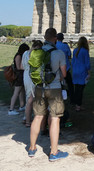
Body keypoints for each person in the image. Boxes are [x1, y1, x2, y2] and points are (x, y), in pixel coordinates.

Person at [28, 28, 68, 162]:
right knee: (55, 118)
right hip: (54, 88)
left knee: (38, 117)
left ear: (44, 37)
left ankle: (32, 148)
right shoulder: (59, 53)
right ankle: (54, 152)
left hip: (39, 87)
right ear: (55, 38)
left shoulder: (36, 52)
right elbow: (64, 75)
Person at [21, 40, 43, 127]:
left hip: (26, 75)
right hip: (33, 76)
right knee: (32, 99)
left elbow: (22, 66)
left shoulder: (25, 53)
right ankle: (28, 120)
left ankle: (26, 118)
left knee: (28, 97)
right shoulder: (36, 55)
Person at [8, 43, 29, 115]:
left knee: (21, 91)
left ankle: (22, 105)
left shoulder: (19, 55)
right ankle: (11, 109)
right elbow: (19, 67)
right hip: (18, 76)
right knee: (16, 92)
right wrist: (27, 67)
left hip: (20, 76)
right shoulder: (18, 56)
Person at [71, 36, 91, 111]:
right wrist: (89, 72)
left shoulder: (75, 50)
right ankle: (78, 106)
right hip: (82, 72)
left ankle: (76, 104)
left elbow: (73, 62)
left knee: (76, 89)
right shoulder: (85, 51)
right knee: (80, 90)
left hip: (75, 71)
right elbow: (87, 63)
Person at [56, 33, 73, 116]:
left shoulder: (54, 46)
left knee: (58, 85)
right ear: (63, 38)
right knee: (70, 84)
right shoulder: (65, 46)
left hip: (56, 69)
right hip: (65, 68)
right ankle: (71, 99)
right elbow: (69, 56)